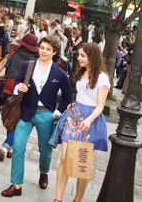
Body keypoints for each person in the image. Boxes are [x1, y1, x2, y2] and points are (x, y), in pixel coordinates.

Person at [1, 35, 72, 197]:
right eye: (42, 48)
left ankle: (44, 172)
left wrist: (55, 114)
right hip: (25, 112)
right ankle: (16, 185)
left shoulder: (60, 73)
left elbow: (68, 97)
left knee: (45, 150)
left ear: (54, 52)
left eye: (48, 49)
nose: (44, 51)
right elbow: (17, 83)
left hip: (46, 114)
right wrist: (19, 87)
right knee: (18, 147)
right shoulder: (28, 65)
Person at [55, 43, 110, 202]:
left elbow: (100, 105)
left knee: (82, 163)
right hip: (74, 116)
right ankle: (58, 199)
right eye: (79, 55)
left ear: (92, 57)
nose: (78, 58)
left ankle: (77, 199)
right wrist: (74, 105)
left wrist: (89, 119)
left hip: (90, 119)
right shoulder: (80, 72)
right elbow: (81, 95)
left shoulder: (102, 77)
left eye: (82, 55)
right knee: (64, 159)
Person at [0, 33, 40, 161]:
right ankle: (6, 148)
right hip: (24, 93)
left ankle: (9, 148)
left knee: (11, 117)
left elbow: (7, 70)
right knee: (17, 120)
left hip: (9, 89)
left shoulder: (14, 55)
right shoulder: (34, 61)